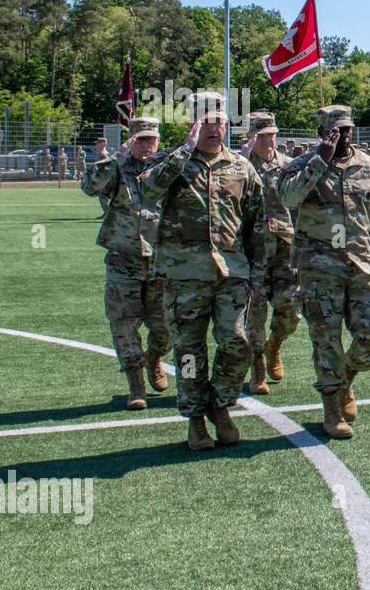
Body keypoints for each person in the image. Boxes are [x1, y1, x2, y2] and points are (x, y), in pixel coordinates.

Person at [137, 93, 267, 451]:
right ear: (194, 125)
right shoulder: (175, 161)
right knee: (190, 351)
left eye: (220, 121)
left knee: (238, 343)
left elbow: (257, 225)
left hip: (231, 275)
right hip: (184, 277)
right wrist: (183, 151)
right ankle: (195, 418)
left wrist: (256, 276)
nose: (214, 128)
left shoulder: (242, 167)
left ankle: (220, 404)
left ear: (228, 124)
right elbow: (148, 188)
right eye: (206, 122)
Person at [277, 105, 370, 439]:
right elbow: (288, 198)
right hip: (318, 268)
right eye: (335, 131)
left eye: (347, 130)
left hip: (361, 265)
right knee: (326, 340)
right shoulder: (301, 165)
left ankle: (346, 379)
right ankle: (331, 410)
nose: (343, 136)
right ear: (321, 133)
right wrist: (320, 160)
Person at [80, 116, 171, 411]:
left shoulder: (164, 168)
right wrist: (116, 158)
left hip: (160, 259)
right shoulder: (116, 168)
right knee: (124, 325)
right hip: (123, 258)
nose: (146, 145)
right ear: (130, 140)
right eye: (140, 139)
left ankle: (155, 357)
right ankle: (136, 386)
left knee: (166, 327)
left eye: (151, 139)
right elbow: (89, 187)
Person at [243, 111, 299, 396]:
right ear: (252, 137)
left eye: (272, 135)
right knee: (254, 313)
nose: (268, 140)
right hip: (253, 251)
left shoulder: (289, 166)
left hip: (285, 249)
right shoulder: (241, 166)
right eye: (262, 135)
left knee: (291, 311)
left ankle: (274, 343)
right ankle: (257, 368)